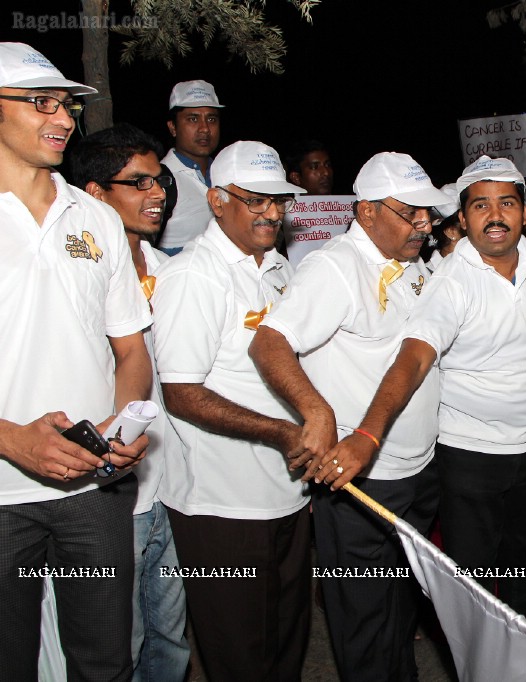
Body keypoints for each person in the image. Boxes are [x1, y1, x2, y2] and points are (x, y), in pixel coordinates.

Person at [308, 155, 526, 632]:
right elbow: (415, 357)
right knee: (473, 585)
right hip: (468, 455)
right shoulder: (450, 279)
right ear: (462, 220)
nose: (496, 215)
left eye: (507, 202)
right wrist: (367, 433)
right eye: (480, 206)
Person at [249, 151, 450, 681]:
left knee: (401, 608)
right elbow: (269, 344)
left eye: (427, 213)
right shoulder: (335, 268)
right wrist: (317, 413)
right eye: (411, 213)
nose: (425, 224)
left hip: (417, 470)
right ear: (366, 212)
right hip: (364, 481)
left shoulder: (414, 266)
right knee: (362, 618)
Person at [0, 42, 152, 680]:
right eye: (40, 103)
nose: (61, 118)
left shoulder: (97, 218)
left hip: (95, 486)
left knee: (105, 663)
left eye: (65, 104)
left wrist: (126, 425)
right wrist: (11, 440)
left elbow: (131, 349)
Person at [152, 140, 309, 681]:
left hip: (287, 492)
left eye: (279, 200)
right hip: (223, 506)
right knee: (239, 656)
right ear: (217, 201)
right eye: (255, 200)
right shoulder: (195, 276)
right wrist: (281, 433)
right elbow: (181, 393)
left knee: (287, 644)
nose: (272, 212)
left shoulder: (281, 268)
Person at [71, 123, 190, 682]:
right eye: (138, 182)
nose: (158, 193)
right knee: (116, 644)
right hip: (105, 490)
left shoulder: (173, 274)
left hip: (170, 483)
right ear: (96, 193)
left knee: (169, 638)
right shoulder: (73, 277)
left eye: (160, 180)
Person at [158, 79, 223, 254]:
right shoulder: (160, 179)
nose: (205, 129)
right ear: (173, 128)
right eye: (193, 119)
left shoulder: (227, 174)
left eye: (211, 119)